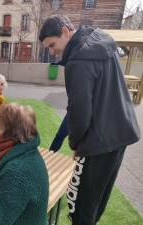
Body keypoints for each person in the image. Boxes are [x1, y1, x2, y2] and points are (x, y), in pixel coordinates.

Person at [39, 15, 140, 225]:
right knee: (97, 202)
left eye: (52, 44)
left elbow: (79, 110)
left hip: (96, 141)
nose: (52, 52)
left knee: (80, 208)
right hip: (120, 134)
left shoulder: (78, 59)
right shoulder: (102, 40)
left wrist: (75, 144)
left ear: (65, 31)